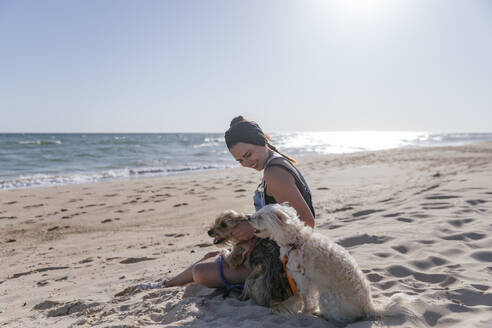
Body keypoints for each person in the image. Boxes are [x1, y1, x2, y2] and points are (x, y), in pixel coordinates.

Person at [163, 116, 315, 289]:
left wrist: (253, 229)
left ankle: (166, 284)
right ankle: (167, 284)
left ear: (261, 141)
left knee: (200, 272)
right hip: (274, 252)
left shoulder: (274, 173)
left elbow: (306, 222)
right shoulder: (274, 164)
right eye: (240, 160)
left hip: (285, 261)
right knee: (211, 255)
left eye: (248, 155)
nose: (247, 163)